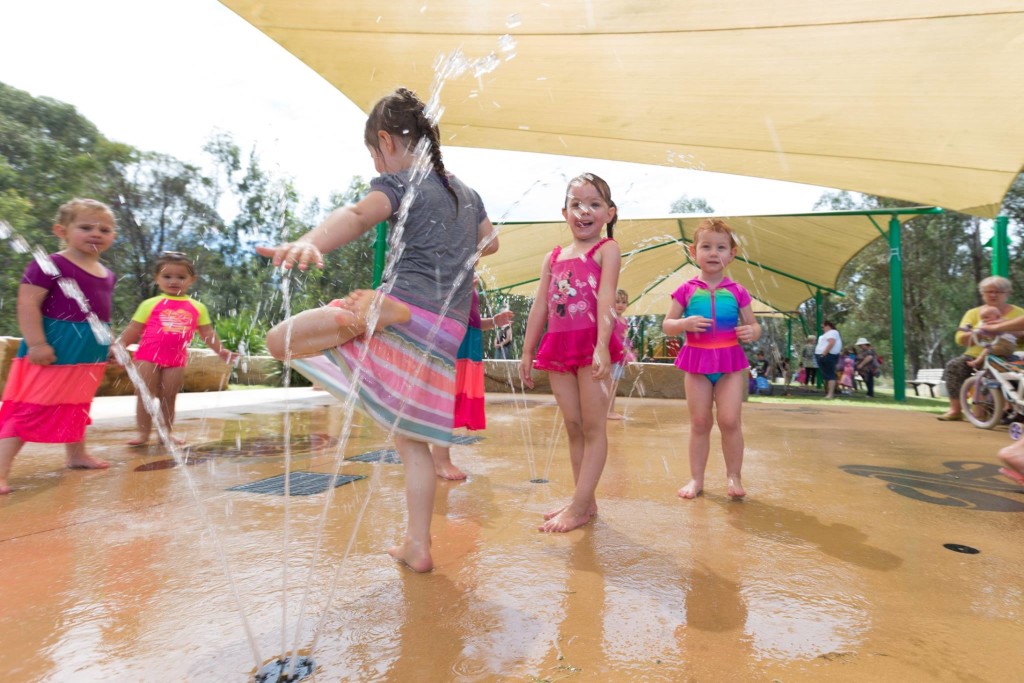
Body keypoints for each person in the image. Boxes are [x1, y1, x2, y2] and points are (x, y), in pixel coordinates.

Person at [256, 88, 497, 572]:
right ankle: (418, 544)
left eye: (373, 153)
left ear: (385, 141)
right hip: (445, 330)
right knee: (413, 443)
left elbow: (358, 214)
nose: (377, 163)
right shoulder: (465, 192)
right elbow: (489, 243)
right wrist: (453, 249)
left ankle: (372, 317)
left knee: (277, 341)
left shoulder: (402, 182)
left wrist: (307, 242)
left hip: (403, 308)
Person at [519, 173, 624, 532]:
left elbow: (607, 296)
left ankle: (578, 506)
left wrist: (602, 347)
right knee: (574, 426)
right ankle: (585, 501)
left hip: (592, 344)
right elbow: (540, 307)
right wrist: (527, 351)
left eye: (594, 204)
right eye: (576, 204)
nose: (584, 211)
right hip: (559, 347)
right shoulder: (553, 257)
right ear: (564, 212)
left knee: (594, 427)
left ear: (609, 213)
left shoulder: (606, 249)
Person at [0, 198, 117, 494]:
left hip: (89, 353)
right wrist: (37, 343)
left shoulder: (107, 274)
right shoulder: (49, 264)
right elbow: (27, 303)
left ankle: (76, 455)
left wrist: (111, 345)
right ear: (61, 230)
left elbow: (100, 315)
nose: (96, 233)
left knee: (76, 405)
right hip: (55, 347)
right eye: (86, 227)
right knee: (30, 409)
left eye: (105, 229)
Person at [662, 218, 761, 499]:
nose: (713, 253)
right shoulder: (686, 289)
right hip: (697, 363)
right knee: (700, 422)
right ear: (694, 253)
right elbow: (667, 324)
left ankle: (734, 477)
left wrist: (751, 331)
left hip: (729, 364)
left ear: (732, 254)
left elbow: (754, 325)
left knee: (730, 421)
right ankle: (696, 479)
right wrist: (684, 323)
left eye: (721, 247)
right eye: (706, 247)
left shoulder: (738, 291)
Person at [115, 252, 237, 446]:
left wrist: (220, 350)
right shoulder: (150, 304)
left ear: (191, 280)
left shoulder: (197, 307)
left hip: (176, 359)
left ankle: (166, 434)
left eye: (181, 277)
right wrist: (120, 346)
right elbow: (134, 328)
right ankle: (143, 435)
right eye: (167, 276)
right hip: (147, 356)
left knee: (169, 397)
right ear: (157, 279)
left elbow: (207, 332)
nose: (174, 281)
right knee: (146, 395)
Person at [430, 282, 513, 480]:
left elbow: (472, 320)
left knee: (451, 399)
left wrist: (494, 321)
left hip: (467, 342)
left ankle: (437, 458)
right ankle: (440, 460)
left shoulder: (468, 276)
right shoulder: (451, 272)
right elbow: (437, 305)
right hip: (452, 340)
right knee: (445, 399)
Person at [937, 276, 1024, 421]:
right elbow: (960, 338)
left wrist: (1007, 329)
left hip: (1008, 353)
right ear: (982, 294)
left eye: (998, 292)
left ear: (1007, 293)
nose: (993, 295)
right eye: (988, 291)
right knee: (955, 366)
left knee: (1003, 371)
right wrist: (980, 332)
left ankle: (1004, 410)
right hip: (975, 353)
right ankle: (955, 410)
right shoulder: (973, 313)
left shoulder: (1019, 313)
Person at [607, 288, 634, 420]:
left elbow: (626, 339)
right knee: (610, 384)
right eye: (617, 301)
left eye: (623, 302)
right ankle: (608, 411)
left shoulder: (625, 321)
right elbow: (609, 337)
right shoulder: (612, 319)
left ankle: (609, 410)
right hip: (611, 356)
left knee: (614, 384)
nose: (620, 305)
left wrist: (627, 355)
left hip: (620, 358)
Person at [814, 320, 842, 399]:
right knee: (827, 375)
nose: (822, 329)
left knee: (830, 375)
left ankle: (830, 394)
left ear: (828, 326)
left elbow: (831, 343)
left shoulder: (832, 332)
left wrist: (823, 354)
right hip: (824, 355)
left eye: (823, 327)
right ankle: (828, 393)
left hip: (827, 355)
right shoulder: (827, 334)